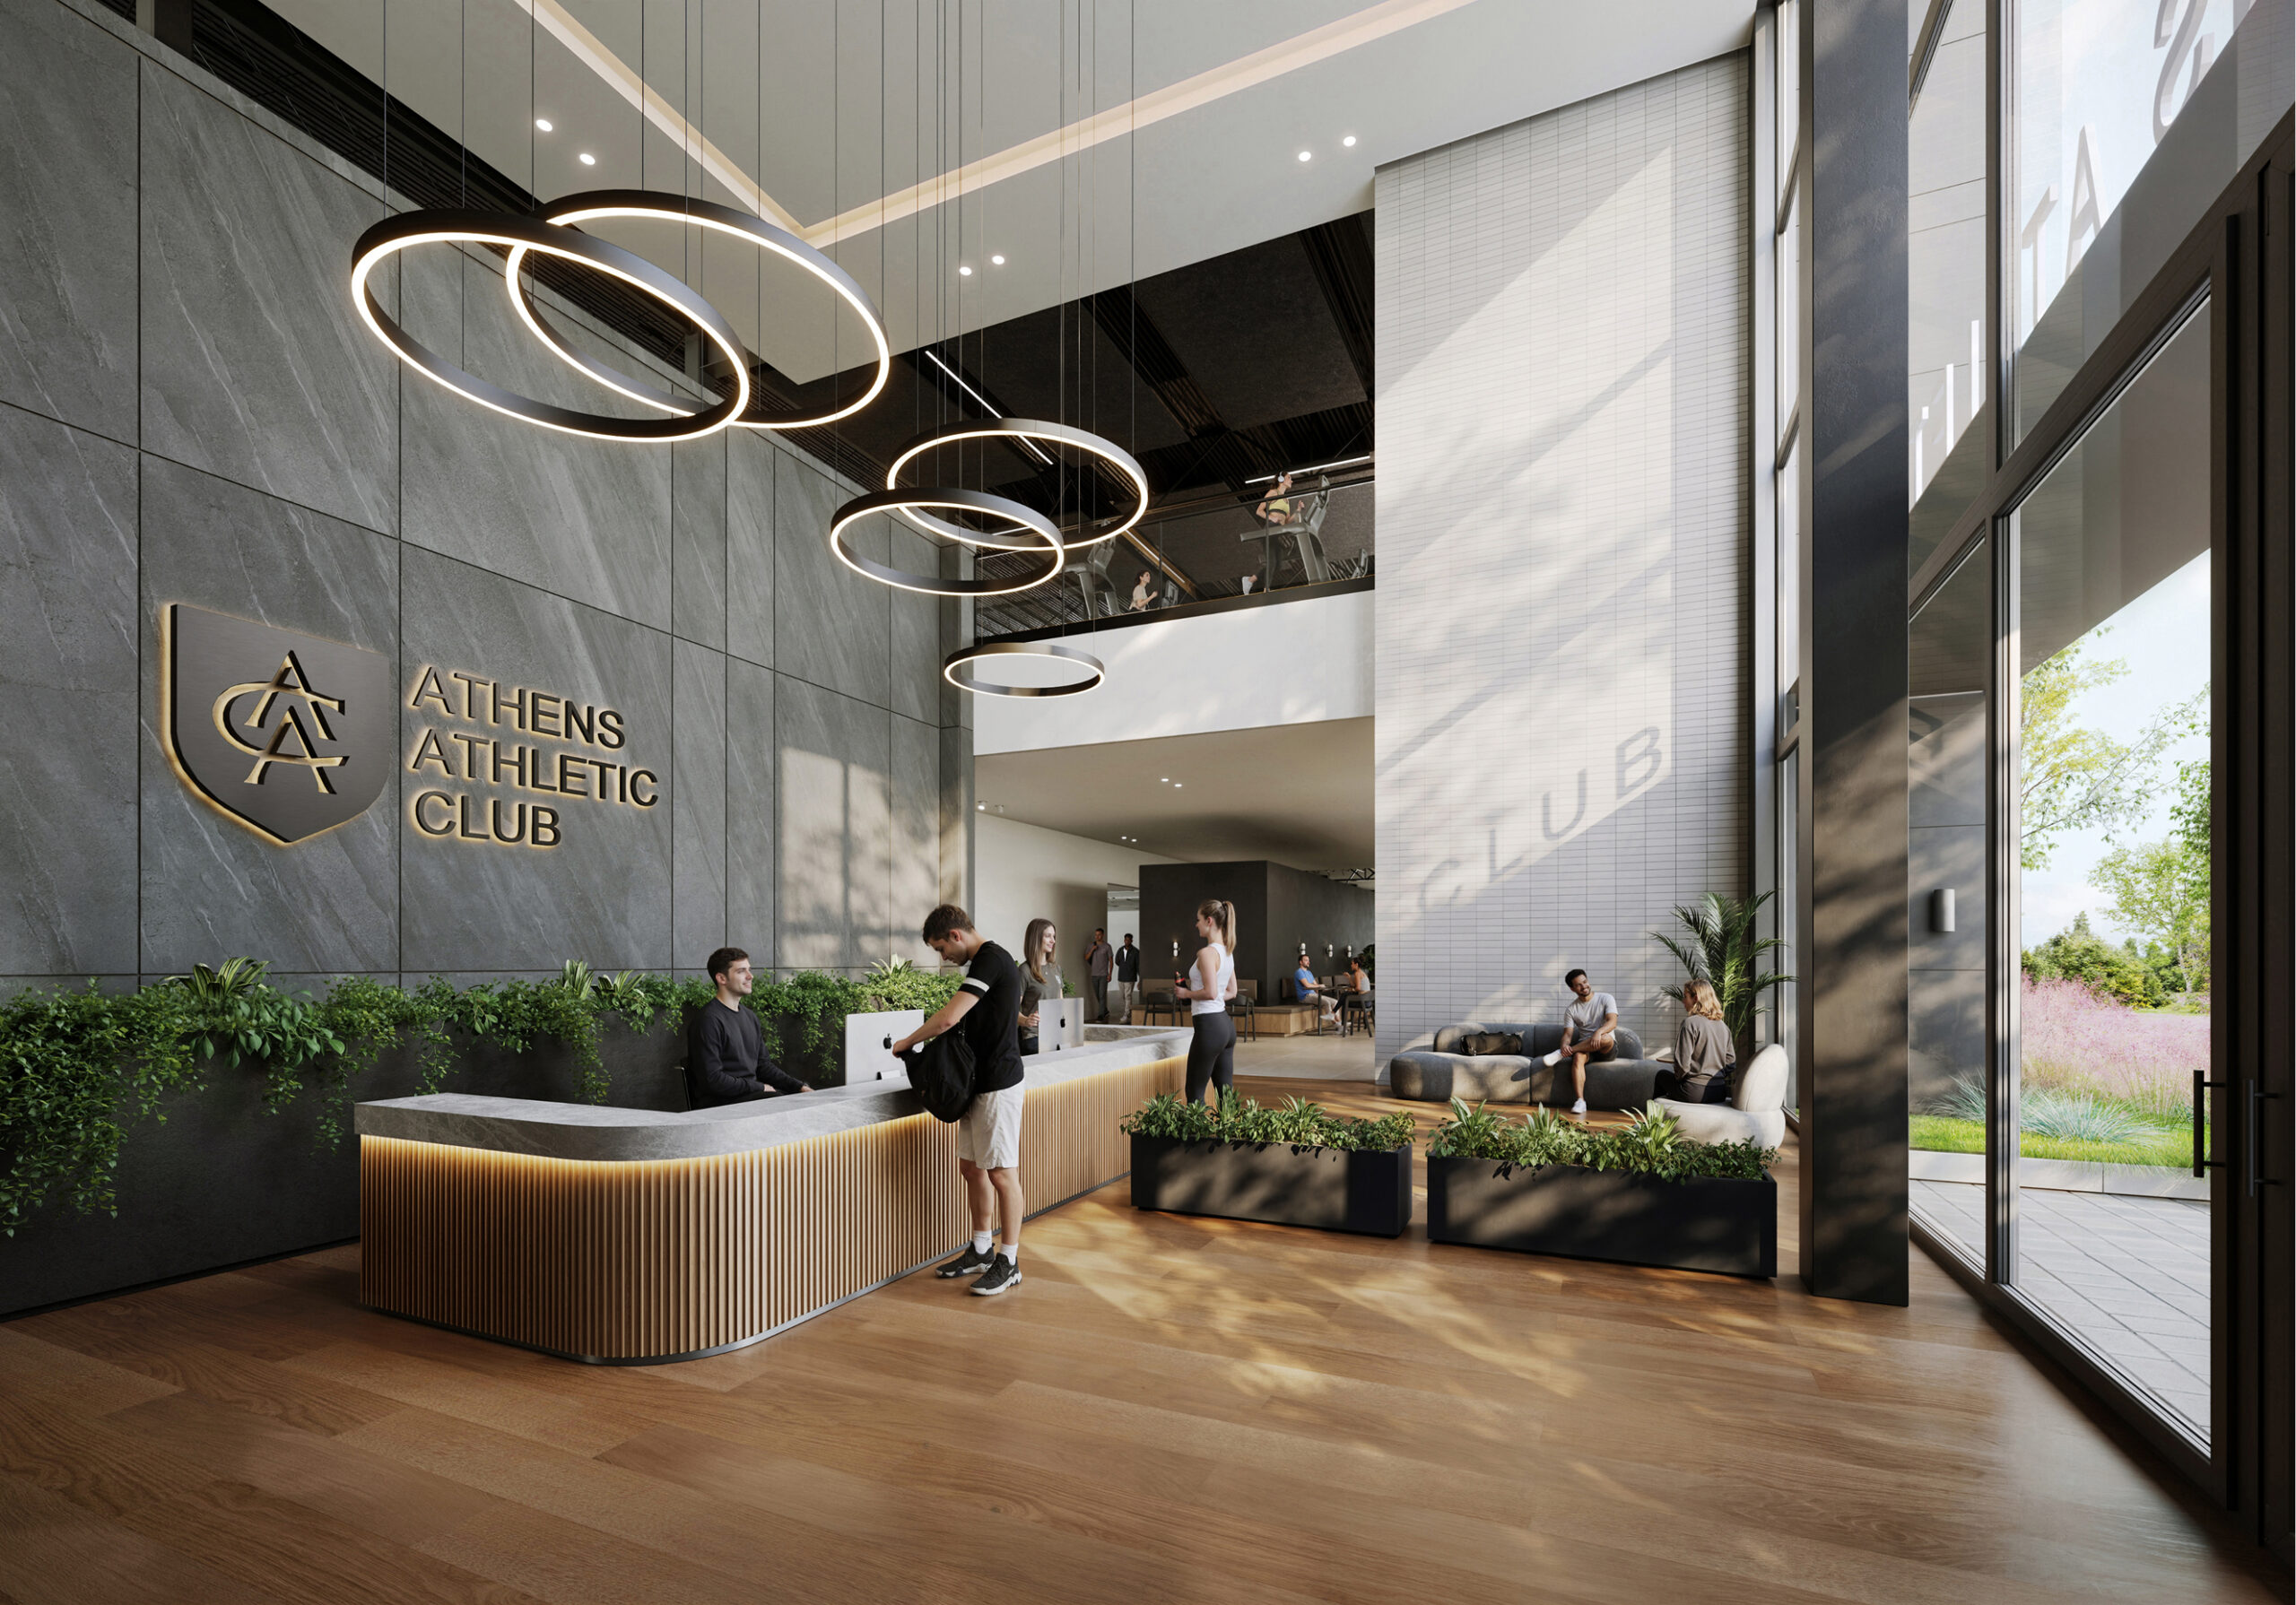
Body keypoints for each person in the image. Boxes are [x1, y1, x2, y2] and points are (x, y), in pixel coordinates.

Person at [891, 906, 1026, 1297]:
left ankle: (1010, 1260)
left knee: (1001, 1172)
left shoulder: (992, 958)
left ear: (955, 934)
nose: (943, 957)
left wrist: (907, 1042)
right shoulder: (983, 963)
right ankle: (982, 1249)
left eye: (940, 949)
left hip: (999, 1084)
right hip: (976, 1084)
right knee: (971, 1168)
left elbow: (950, 1017)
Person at [685, 947, 810, 1108]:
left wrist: (799, 1087)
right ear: (722, 978)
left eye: (749, 970)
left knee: (801, 1101)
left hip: (750, 1099)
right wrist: (760, 1087)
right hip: (722, 1106)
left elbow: (763, 1067)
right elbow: (713, 1080)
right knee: (783, 1105)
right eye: (741, 971)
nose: (750, 976)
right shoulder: (708, 1021)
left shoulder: (750, 1017)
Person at [1174, 900, 1239, 1105]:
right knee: (1225, 1096)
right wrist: (1207, 993)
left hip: (1210, 1027)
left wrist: (1185, 993)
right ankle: (1228, 1135)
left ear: (1209, 921)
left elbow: (1211, 992)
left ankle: (1200, 1138)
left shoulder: (1206, 954)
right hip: (1225, 1027)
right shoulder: (1227, 952)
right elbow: (1231, 992)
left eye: (1198, 920)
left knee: (1194, 1093)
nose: (1196, 924)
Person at [1543, 967, 1618, 1117]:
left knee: (1605, 1038)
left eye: (1585, 982)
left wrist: (1598, 1031)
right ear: (1572, 989)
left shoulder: (1606, 998)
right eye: (1579, 985)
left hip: (1606, 1047)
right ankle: (1580, 1101)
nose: (1584, 986)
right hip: (1586, 1048)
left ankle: (1562, 1054)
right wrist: (1564, 1045)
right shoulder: (1572, 1009)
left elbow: (1612, 1022)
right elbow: (1567, 1034)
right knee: (1577, 1057)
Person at [1653, 979, 1736, 1104]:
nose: (1683, 1001)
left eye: (1685, 997)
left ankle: (1652, 1122)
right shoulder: (1724, 1027)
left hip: (1694, 1092)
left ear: (1696, 998)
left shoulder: (1690, 1023)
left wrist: (1683, 1078)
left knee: (1661, 1076)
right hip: (1719, 1092)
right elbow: (1731, 1063)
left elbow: (1682, 1066)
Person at [1018, 917, 1062, 1056]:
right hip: (1034, 1038)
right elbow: (1010, 1010)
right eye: (1048, 936)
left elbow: (1061, 1002)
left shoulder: (1055, 968)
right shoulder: (1024, 971)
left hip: (1056, 1034)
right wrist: (1026, 1020)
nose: (1053, 941)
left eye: (1054, 936)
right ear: (1036, 938)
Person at [1293, 950, 1338, 1026]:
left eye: (1308, 960)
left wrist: (1319, 993)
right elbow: (1307, 985)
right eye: (1306, 960)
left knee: (1335, 1002)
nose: (1308, 962)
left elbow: (1315, 985)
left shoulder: (1309, 972)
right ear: (1300, 962)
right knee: (1326, 1002)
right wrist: (1319, 986)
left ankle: (1340, 1023)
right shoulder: (1299, 972)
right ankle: (1337, 1025)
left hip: (1314, 995)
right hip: (1305, 997)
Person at [1084, 927, 1113, 1022]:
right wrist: (1093, 949)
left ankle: (1100, 1015)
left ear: (1103, 935)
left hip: (1104, 974)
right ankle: (1105, 1010)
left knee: (1102, 995)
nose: (1097, 936)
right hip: (1094, 974)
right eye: (1096, 935)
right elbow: (1086, 957)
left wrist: (1110, 974)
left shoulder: (1107, 946)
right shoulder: (1091, 945)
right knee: (1097, 995)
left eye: (1099, 935)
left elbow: (1111, 961)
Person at [1112, 933, 1141, 1023]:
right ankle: (1129, 1011)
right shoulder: (1120, 950)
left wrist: (1141, 979)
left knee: (1128, 996)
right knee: (1122, 996)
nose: (1127, 941)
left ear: (1132, 940)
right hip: (1121, 976)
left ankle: (1126, 1014)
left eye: (1129, 940)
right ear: (1124, 940)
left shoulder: (1136, 952)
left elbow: (1138, 966)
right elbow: (1117, 961)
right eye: (1126, 940)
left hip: (1130, 977)